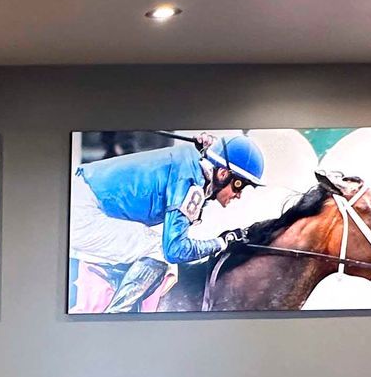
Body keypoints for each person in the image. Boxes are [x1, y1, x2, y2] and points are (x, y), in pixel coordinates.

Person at [69, 132, 266, 313]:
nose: (238, 195)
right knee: (159, 250)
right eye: (240, 186)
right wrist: (220, 243)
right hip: (85, 210)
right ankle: (116, 316)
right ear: (223, 173)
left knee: (149, 242)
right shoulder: (191, 182)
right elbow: (174, 250)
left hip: (86, 196)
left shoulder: (195, 165)